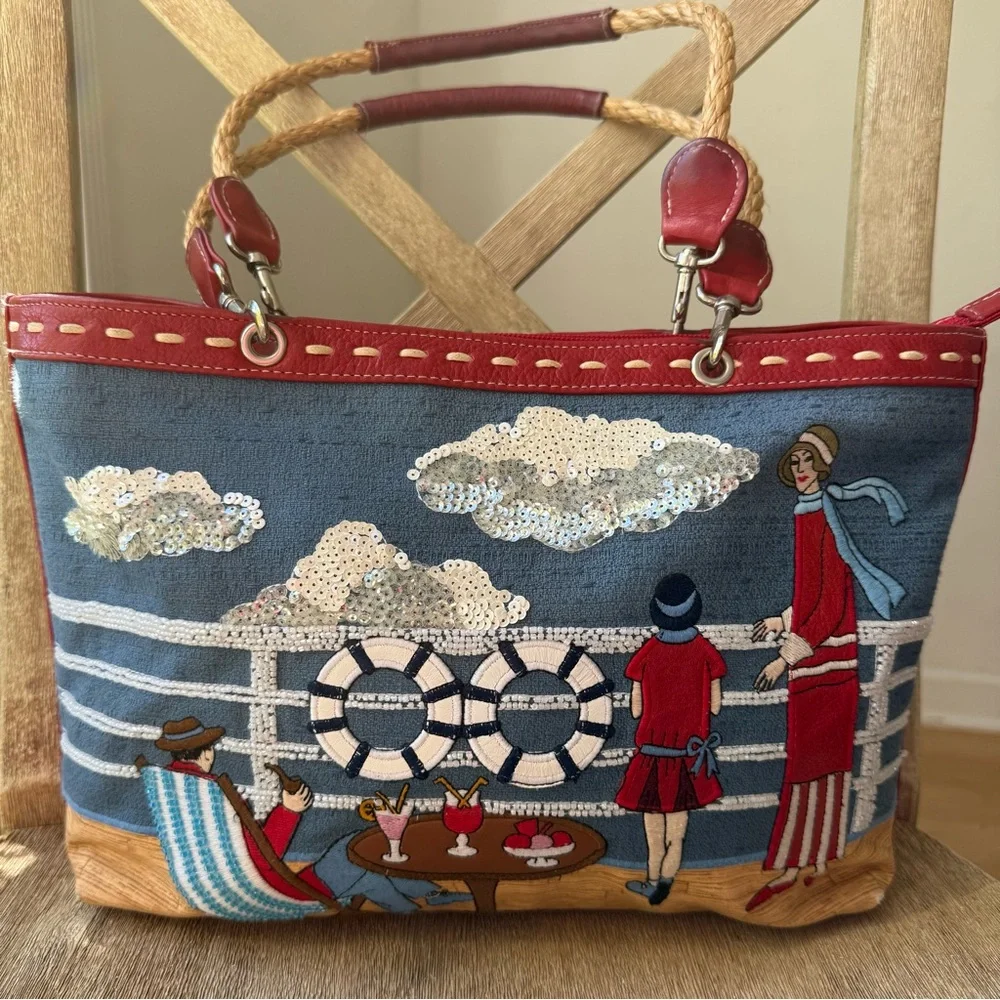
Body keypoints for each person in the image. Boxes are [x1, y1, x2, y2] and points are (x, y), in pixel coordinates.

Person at [746, 424, 907, 912]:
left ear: (823, 466)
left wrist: (783, 658)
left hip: (827, 664)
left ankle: (806, 867)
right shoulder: (811, 513)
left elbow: (832, 601)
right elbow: (815, 591)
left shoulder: (822, 516)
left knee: (816, 766)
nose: (800, 470)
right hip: (821, 659)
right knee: (812, 766)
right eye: (794, 463)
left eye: (807, 462)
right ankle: (808, 866)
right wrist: (782, 620)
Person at [154, 717, 471, 912]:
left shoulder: (176, 793)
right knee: (358, 847)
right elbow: (264, 855)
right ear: (206, 752)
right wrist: (288, 811)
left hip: (227, 887)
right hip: (278, 890)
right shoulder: (215, 794)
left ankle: (416, 906)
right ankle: (429, 895)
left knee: (365, 872)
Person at [614, 574, 726, 906]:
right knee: (678, 832)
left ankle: (651, 880)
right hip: (687, 757)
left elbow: (635, 709)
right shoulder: (705, 651)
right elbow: (715, 705)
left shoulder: (649, 651)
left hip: (653, 753)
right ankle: (666, 880)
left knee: (654, 831)